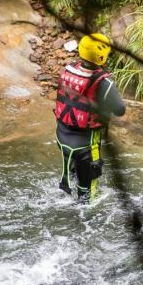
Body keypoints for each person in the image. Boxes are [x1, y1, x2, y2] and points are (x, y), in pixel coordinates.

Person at [54, 33, 126, 201]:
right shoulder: (104, 83)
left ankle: (70, 184)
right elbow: (120, 110)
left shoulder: (69, 68)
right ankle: (85, 219)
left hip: (62, 138)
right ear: (102, 56)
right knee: (88, 195)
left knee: (74, 176)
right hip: (85, 146)